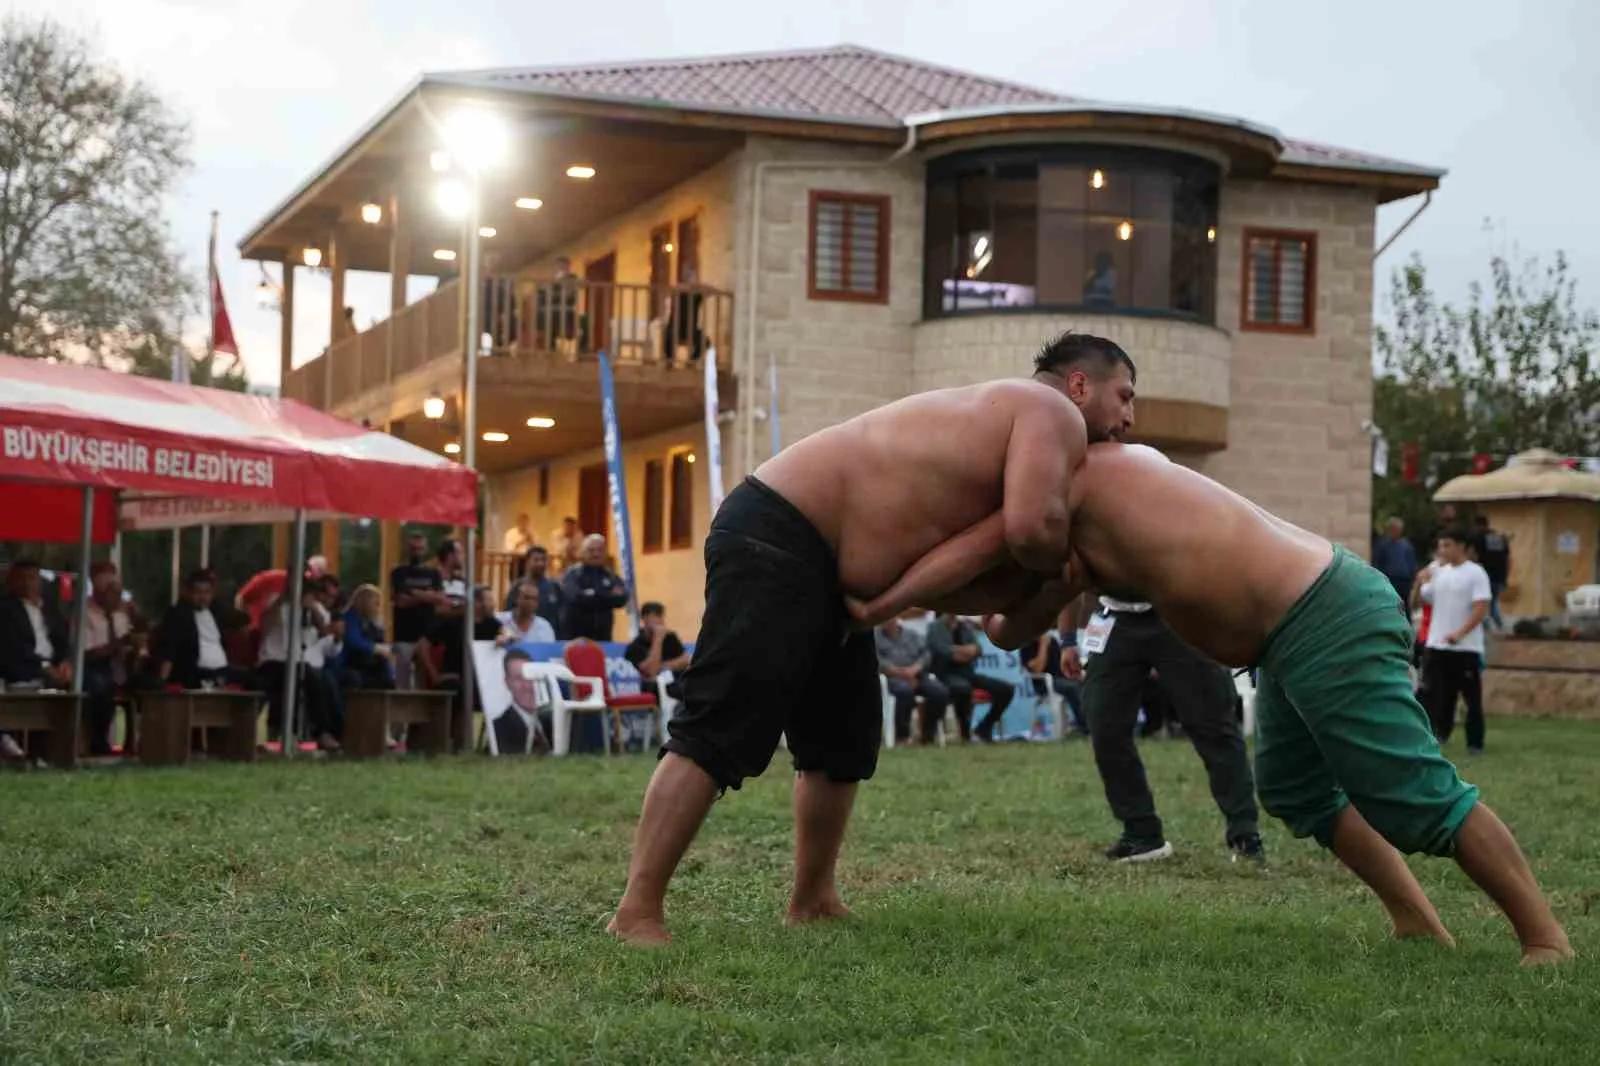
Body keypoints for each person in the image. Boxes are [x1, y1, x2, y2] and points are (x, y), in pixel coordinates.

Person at [853, 442, 1571, 967]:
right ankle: (1417, 923)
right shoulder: (1076, 512)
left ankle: (1546, 939)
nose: (1129, 412)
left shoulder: (1095, 476)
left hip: (1322, 615)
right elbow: (1013, 619)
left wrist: (882, 593)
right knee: (1294, 789)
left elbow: (988, 579)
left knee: (1411, 795)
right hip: (1288, 633)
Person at [608, 331, 1097, 946]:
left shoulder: (1013, 447)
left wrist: (1029, 592)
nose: (1130, 417)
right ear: (1080, 384)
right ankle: (637, 910)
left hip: (824, 560)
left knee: (842, 739)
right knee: (718, 723)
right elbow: (1031, 532)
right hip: (781, 529)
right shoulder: (1050, 411)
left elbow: (986, 602)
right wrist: (1064, 562)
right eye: (1125, 395)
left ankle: (813, 899)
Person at [1076, 596, 1262, 863]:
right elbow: (1068, 579)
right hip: (1114, 618)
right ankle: (1141, 833)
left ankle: (1245, 834)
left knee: (1213, 726)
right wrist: (1068, 639)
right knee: (1104, 726)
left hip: (1177, 611)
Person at [1419, 529, 1492, 753]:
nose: (1443, 550)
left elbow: (1481, 609)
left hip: (1465, 647)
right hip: (1436, 644)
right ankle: (1438, 734)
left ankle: (1475, 742)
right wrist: (1419, 582)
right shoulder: (1438, 572)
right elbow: (1420, 600)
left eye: (1448, 545)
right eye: (1441, 546)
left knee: (1471, 698)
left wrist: (1459, 633)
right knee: (1436, 695)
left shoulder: (1476, 573)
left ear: (1461, 546)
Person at [925, 612, 1014, 742]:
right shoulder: (935, 628)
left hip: (967, 673)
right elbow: (942, 651)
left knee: (1005, 689)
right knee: (962, 689)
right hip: (944, 674)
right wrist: (965, 651)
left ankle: (984, 727)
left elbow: (977, 649)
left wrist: (960, 651)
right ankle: (965, 733)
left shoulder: (964, 626)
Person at [874, 611, 950, 745]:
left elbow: (926, 654)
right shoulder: (876, 637)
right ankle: (903, 736)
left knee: (940, 692)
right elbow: (876, 660)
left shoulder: (911, 634)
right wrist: (898, 672)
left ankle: (927, 734)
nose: (888, 622)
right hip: (892, 677)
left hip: (917, 674)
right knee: (905, 692)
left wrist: (916, 668)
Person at [154, 570, 238, 690]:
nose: (203, 597)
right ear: (188, 593)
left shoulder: (216, 612)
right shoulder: (179, 613)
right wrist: (162, 679)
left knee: (257, 682)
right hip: (197, 672)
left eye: (207, 592)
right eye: (198, 592)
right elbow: (169, 648)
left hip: (223, 670)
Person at [389, 532, 446, 689]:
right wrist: (427, 596)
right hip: (403, 634)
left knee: (423, 682)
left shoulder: (433, 573)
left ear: (425, 549)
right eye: (413, 548)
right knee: (402, 682)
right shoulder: (398, 572)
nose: (417, 552)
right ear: (407, 549)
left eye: (420, 548)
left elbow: (440, 598)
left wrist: (414, 593)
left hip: (426, 636)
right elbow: (400, 601)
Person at [560, 535, 630, 641]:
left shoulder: (610, 575)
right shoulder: (573, 574)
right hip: (575, 638)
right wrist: (607, 596)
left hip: (603, 639)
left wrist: (592, 594)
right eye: (591, 550)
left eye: (600, 550)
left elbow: (622, 599)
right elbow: (575, 597)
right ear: (582, 552)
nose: (596, 554)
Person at [625, 602, 692, 701]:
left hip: (676, 681)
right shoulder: (635, 646)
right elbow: (652, 671)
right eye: (655, 616)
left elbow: (686, 660)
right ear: (644, 619)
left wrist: (662, 666)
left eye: (660, 616)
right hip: (654, 687)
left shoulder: (670, 637)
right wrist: (658, 639)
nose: (659, 621)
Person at [340, 584, 395, 691]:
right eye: (376, 603)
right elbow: (353, 641)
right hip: (350, 663)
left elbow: (382, 646)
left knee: (387, 677)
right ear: (365, 602)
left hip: (368, 665)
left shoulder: (372, 622)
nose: (378, 607)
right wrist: (375, 648)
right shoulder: (350, 617)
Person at [503, 545, 565, 636]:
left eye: (543, 560)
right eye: (536, 560)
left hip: (548, 638)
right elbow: (508, 613)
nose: (540, 563)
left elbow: (561, 616)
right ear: (527, 562)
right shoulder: (517, 586)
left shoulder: (554, 587)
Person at [1472, 515, 1511, 629]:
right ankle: (1500, 626)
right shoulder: (1499, 538)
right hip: (1499, 576)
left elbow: (1474, 556)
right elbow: (1507, 558)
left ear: (1477, 525)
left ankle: (1488, 627)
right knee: (1493, 603)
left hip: (1485, 575)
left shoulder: (1477, 537)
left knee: (1483, 603)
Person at [1372, 517, 1419, 605]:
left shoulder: (1406, 545)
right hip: (1389, 581)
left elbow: (1412, 564)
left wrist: (1413, 579)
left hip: (1405, 582)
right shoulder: (1383, 545)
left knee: (1404, 607)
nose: (1395, 531)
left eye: (1398, 529)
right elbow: (1377, 563)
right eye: (1393, 529)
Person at [497, 582, 557, 646]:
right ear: (516, 598)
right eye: (526, 598)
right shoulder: (499, 620)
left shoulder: (544, 627)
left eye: (534, 599)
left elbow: (548, 651)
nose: (530, 602)